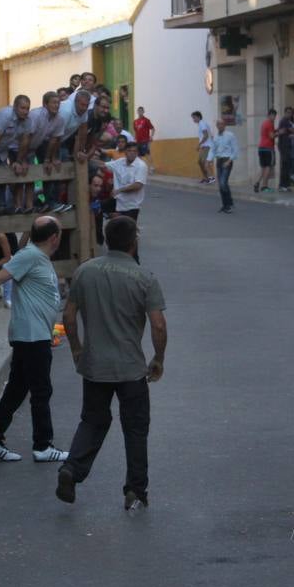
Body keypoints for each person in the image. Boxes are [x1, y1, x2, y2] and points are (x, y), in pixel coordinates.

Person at [56, 216, 167, 511]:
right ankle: (136, 489)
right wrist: (158, 358)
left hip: (95, 365)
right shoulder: (145, 277)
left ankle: (71, 469)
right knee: (135, 427)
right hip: (131, 367)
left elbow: (68, 316)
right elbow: (157, 324)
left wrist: (78, 349)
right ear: (134, 243)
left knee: (93, 420)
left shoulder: (85, 271)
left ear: (106, 240)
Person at [0, 217, 68, 464]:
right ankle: (43, 445)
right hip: (31, 336)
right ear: (54, 237)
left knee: (18, 389)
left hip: (35, 333)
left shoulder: (36, 256)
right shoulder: (28, 256)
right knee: (41, 390)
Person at [107, 141, 148, 223]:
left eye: (134, 151)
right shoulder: (120, 162)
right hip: (118, 203)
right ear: (125, 152)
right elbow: (104, 165)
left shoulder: (141, 165)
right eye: (129, 150)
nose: (132, 153)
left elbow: (138, 185)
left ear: (137, 153)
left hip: (131, 206)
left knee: (128, 230)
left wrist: (119, 190)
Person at [208, 119, 239, 213]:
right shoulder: (216, 137)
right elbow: (213, 149)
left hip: (227, 160)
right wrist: (209, 159)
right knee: (222, 184)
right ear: (216, 126)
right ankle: (226, 203)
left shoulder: (230, 135)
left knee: (223, 183)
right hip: (219, 161)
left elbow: (235, 149)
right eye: (218, 124)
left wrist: (229, 161)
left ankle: (228, 205)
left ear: (224, 125)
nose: (220, 126)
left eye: (221, 124)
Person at [255, 108, 277, 193]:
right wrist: (279, 133)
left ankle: (257, 182)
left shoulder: (264, 123)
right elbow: (271, 136)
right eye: (273, 116)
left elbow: (267, 133)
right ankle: (264, 186)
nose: (274, 117)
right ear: (270, 115)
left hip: (261, 148)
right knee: (268, 167)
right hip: (268, 148)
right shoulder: (270, 124)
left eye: (275, 116)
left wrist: (276, 130)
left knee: (263, 168)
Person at [192, 110, 216, 184]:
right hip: (204, 146)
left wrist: (199, 145)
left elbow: (206, 135)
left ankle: (211, 177)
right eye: (193, 118)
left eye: (194, 117)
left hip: (207, 145)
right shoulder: (200, 124)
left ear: (199, 117)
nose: (193, 119)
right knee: (200, 161)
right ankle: (206, 177)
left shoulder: (202, 124)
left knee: (204, 162)